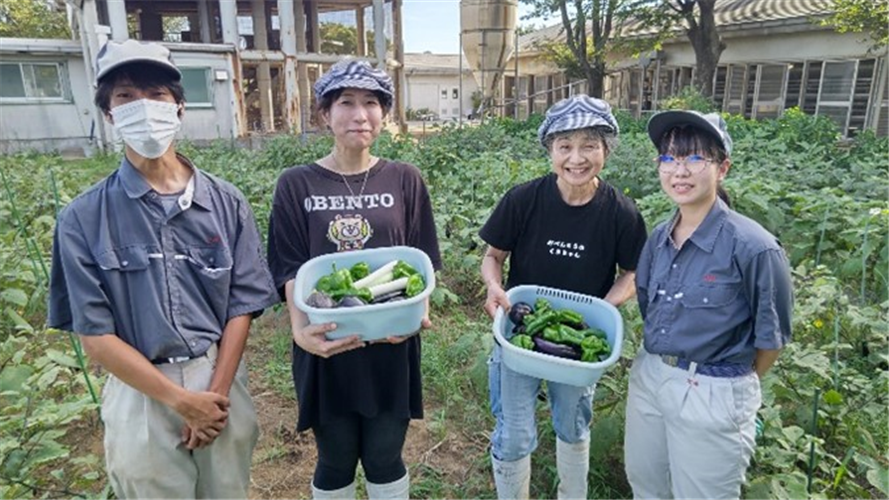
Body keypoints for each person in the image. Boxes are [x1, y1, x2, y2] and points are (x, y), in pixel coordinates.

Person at [48, 40, 278, 498]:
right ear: (110, 115)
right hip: (141, 391)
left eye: (156, 94)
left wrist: (213, 396)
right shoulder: (82, 218)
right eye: (126, 97)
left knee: (228, 490)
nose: (143, 107)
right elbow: (96, 336)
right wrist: (180, 402)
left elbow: (241, 307)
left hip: (217, 377)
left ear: (178, 107)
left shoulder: (226, 203)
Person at [266, 59, 442, 500]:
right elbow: (289, 265)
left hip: (389, 343)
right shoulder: (296, 184)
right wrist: (300, 332)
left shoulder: (405, 179)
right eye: (346, 102)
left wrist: (415, 315)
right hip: (327, 339)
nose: (359, 114)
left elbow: (421, 259)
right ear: (325, 114)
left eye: (371, 103)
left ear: (384, 115)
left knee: (385, 457)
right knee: (335, 459)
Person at [480, 95, 648, 499]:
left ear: (607, 149)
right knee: (516, 432)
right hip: (523, 333)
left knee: (573, 425)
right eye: (565, 145)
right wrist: (494, 286)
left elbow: (634, 270)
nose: (577, 157)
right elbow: (493, 256)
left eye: (590, 144)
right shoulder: (524, 199)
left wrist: (606, 307)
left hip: (579, 339)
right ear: (550, 151)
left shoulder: (621, 212)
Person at [624, 110, 794, 499]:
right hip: (651, 375)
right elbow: (650, 308)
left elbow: (772, 339)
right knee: (646, 486)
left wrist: (727, 386)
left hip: (714, 389)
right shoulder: (659, 239)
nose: (679, 171)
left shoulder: (755, 247)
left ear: (723, 169)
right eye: (669, 158)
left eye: (695, 158)